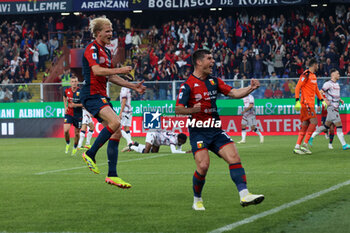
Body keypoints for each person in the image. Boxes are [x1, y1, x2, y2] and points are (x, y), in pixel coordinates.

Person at [175, 49, 264, 211]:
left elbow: (233, 93)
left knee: (234, 157)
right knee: (203, 166)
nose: (212, 61)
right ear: (199, 62)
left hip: (216, 129)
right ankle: (197, 199)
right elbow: (178, 109)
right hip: (198, 131)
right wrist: (192, 110)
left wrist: (250, 89)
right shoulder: (187, 85)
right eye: (209, 59)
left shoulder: (214, 81)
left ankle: (244, 195)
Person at [79, 17, 146, 189]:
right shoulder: (91, 48)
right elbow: (97, 71)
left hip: (101, 95)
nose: (111, 34)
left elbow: (110, 76)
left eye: (111, 30)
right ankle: (90, 153)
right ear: (98, 33)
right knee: (116, 122)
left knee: (116, 132)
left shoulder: (106, 51)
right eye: (107, 31)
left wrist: (133, 86)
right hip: (91, 94)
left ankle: (112, 175)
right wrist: (121, 69)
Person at [293, 58, 328, 155]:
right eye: (317, 65)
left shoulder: (314, 76)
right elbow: (298, 87)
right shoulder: (306, 74)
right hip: (306, 103)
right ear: (315, 64)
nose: (318, 66)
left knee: (305, 125)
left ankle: (297, 147)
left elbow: (316, 89)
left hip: (310, 103)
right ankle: (305, 144)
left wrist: (322, 100)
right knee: (314, 122)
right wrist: (297, 101)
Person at [308, 69, 350, 150]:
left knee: (326, 126)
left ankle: (311, 136)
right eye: (337, 73)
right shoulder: (328, 84)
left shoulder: (337, 84)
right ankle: (344, 145)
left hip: (335, 108)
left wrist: (340, 100)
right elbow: (320, 93)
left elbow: (335, 96)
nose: (339, 75)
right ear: (333, 74)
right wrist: (325, 100)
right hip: (332, 108)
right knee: (339, 126)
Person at [63, 76, 83, 156]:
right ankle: (68, 143)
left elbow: (84, 104)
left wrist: (75, 105)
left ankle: (75, 147)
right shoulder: (67, 90)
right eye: (72, 81)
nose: (74, 83)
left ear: (77, 82)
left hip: (78, 115)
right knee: (66, 130)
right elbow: (64, 97)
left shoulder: (81, 92)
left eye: (75, 81)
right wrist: (65, 106)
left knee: (77, 133)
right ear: (70, 83)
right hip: (69, 114)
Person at [125, 130, 191, 154]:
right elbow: (174, 151)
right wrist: (185, 152)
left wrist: (184, 152)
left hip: (158, 141)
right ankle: (132, 146)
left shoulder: (179, 139)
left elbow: (179, 150)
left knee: (154, 152)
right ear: (180, 139)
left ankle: (138, 145)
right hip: (153, 134)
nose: (183, 143)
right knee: (146, 151)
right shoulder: (173, 139)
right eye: (183, 141)